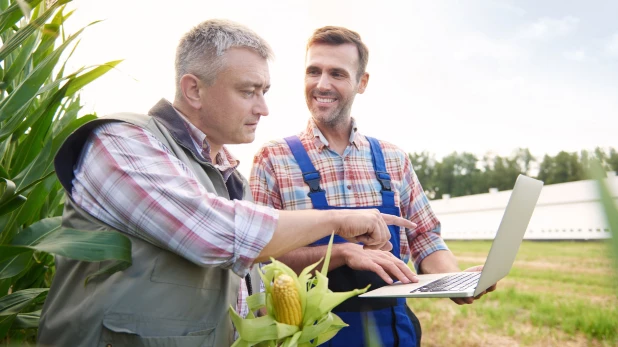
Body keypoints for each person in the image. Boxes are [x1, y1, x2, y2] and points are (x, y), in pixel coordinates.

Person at [37, 20, 415, 347]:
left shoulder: (230, 177)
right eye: (248, 91)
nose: (263, 108)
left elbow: (249, 286)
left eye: (264, 92)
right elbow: (215, 233)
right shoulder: (121, 143)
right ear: (194, 90)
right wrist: (336, 222)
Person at [250, 26, 496, 347]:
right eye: (314, 71)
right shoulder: (274, 159)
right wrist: (341, 253)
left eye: (337, 73)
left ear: (361, 82)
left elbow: (424, 237)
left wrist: (454, 280)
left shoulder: (392, 158)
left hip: (392, 331)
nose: (322, 84)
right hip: (312, 335)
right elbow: (260, 260)